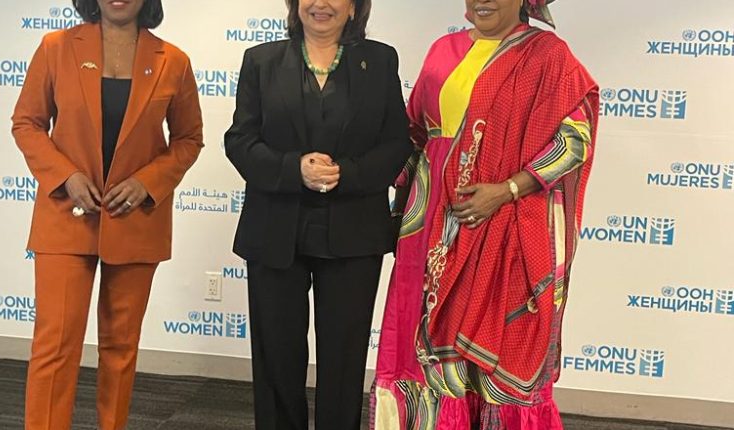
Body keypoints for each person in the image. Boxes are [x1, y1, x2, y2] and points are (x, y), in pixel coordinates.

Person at [372, 0, 599, 428]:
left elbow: (573, 139)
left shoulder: (548, 56)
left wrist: (506, 190)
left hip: (505, 224)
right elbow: (413, 134)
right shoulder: (443, 49)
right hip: (430, 224)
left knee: (489, 355)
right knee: (424, 345)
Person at [11, 0, 203, 427]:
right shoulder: (56, 47)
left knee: (120, 348)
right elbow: (27, 122)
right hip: (66, 215)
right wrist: (65, 175)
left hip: (137, 220)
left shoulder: (174, 60)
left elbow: (189, 138)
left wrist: (147, 183)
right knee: (55, 346)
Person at [223, 0, 411, 428]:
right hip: (275, 229)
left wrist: (347, 173)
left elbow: (396, 143)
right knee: (276, 357)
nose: (321, 4)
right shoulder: (261, 61)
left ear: (354, 7)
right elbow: (240, 141)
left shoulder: (380, 60)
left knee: (344, 361)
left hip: (354, 231)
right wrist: (295, 169)